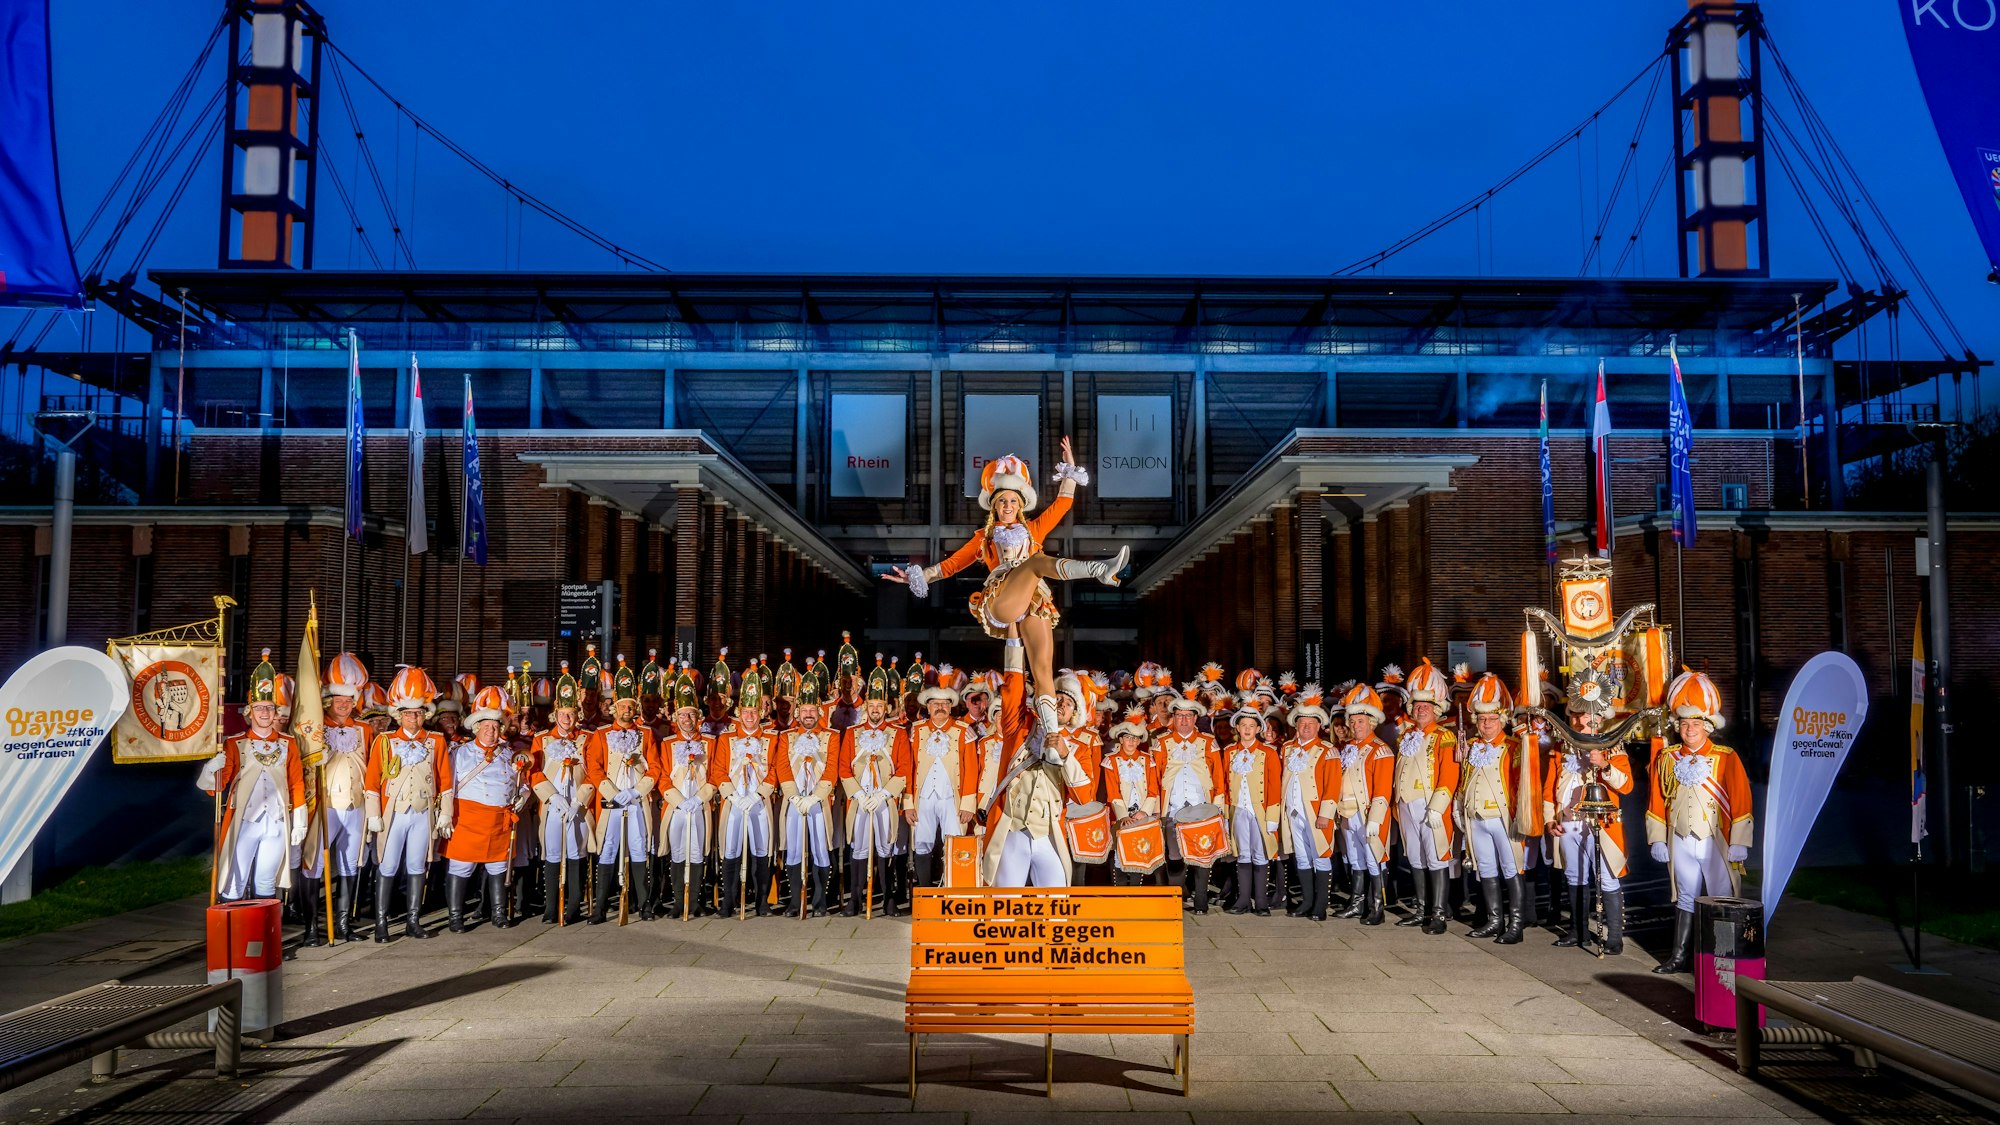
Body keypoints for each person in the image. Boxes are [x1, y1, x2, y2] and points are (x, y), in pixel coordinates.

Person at [885, 439, 1129, 736]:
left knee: (1042, 669)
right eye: (1002, 501)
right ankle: (1098, 570)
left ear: (1021, 504)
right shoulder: (984, 538)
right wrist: (915, 577)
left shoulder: (1033, 529)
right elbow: (950, 565)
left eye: (1013, 501)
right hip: (1001, 600)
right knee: (1036, 563)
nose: (1008, 507)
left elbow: (1063, 504)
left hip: (1034, 602)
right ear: (993, 505)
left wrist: (1069, 466)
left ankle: (1052, 736)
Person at [1647, 670, 1754, 974]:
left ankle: (1720, 958)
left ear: (1708, 726)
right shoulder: (1667, 759)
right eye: (1683, 723)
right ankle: (1680, 956)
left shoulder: (1726, 756)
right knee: (1685, 895)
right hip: (1680, 838)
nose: (1689, 729)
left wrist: (1739, 843)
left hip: (1715, 839)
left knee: (1721, 897)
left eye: (1695, 723)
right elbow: (1657, 799)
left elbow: (1742, 801)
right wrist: (1656, 837)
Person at [198, 650, 308, 904]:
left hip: (277, 822)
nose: (265, 713)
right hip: (244, 821)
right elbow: (218, 785)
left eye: (269, 708)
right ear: (250, 711)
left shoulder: (289, 743)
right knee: (235, 880)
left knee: (266, 882)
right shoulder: (235, 743)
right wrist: (209, 770)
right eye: (259, 708)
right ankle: (233, 939)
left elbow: (296, 783)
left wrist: (299, 820)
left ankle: (262, 940)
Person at [978, 645, 1091, 887]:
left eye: (1068, 703)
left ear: (1074, 714)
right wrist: (1013, 639)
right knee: (1004, 908)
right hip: (1013, 831)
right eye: (1056, 699)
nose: (1060, 704)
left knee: (1055, 910)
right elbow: (1013, 690)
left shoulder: (1080, 747)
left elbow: (1084, 797)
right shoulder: (1022, 728)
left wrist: (1064, 755)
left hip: (1048, 836)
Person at [1544, 666, 1632, 953]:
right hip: (1569, 820)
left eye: (1588, 714)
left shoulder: (1612, 744)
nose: (1582, 719)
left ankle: (1615, 935)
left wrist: (1604, 765)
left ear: (1598, 717)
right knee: (1575, 876)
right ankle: (1578, 930)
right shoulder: (1562, 745)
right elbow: (1550, 786)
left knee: (1607, 876)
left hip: (1601, 822)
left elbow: (1626, 785)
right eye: (1577, 713)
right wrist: (1550, 817)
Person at [363, 665, 450, 942]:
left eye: (419, 712)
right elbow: (372, 780)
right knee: (387, 866)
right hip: (394, 812)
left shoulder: (436, 741)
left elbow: (445, 780)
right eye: (408, 713)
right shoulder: (384, 741)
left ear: (426, 714)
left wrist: (445, 814)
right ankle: (381, 923)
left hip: (423, 812)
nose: (414, 718)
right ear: (398, 715)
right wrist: (374, 815)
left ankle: (413, 920)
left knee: (416, 865)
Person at [441, 687, 527, 932]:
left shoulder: (508, 754)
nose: (491, 732)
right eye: (486, 727)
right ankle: (455, 917)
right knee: (461, 867)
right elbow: (447, 785)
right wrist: (445, 814)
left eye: (496, 727)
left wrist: (522, 796)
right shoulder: (459, 753)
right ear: (476, 727)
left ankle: (498, 913)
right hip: (467, 818)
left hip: (498, 819)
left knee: (498, 867)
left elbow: (522, 783)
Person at [302, 651, 371, 943]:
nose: (343, 706)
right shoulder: (316, 729)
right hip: (325, 804)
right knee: (314, 865)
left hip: (356, 805)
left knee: (349, 864)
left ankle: (343, 924)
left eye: (348, 701)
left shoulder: (365, 729)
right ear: (329, 701)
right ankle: (311, 928)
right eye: (338, 701)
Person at [585, 660, 660, 923]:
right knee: (607, 850)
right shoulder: (602, 734)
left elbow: (655, 769)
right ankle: (600, 908)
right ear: (614, 708)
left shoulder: (647, 734)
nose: (627, 710)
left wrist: (637, 792)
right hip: (612, 802)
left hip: (636, 802)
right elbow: (593, 768)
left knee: (639, 850)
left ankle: (644, 904)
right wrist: (611, 792)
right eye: (622, 706)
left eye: (631, 706)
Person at [1457, 674, 1527, 944]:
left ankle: (1516, 925)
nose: (1486, 724)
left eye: (1492, 719)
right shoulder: (1472, 746)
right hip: (1476, 817)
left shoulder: (1514, 746)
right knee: (1486, 869)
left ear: (1503, 720)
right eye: (1482, 719)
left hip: (1502, 817)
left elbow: (1523, 785)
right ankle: (1494, 921)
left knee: (1511, 869)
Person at [1391, 659, 1459, 935]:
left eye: (1426, 707)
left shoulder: (1444, 736)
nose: (1420, 710)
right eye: (1417, 706)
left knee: (1436, 857)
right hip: (1407, 803)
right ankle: (1421, 908)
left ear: (1436, 710)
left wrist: (1437, 806)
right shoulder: (1405, 736)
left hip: (1430, 804)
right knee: (1416, 858)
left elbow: (1449, 775)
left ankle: (1439, 912)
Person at [840, 668, 910, 914]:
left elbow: (903, 768)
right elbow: (843, 768)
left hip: (884, 799)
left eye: (880, 706)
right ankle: (856, 898)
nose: (875, 711)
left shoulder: (898, 734)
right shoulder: (852, 734)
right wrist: (859, 795)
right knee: (859, 846)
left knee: (885, 846)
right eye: (872, 706)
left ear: (886, 708)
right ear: (866, 707)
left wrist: (883, 794)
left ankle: (889, 896)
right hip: (860, 800)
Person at [712, 664, 778, 917]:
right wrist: (732, 795)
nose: (749, 716)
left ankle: (762, 902)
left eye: (754, 711)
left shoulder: (771, 738)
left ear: (761, 711)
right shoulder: (727, 738)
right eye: (745, 711)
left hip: (759, 802)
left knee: (762, 850)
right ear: (738, 711)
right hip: (734, 801)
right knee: (731, 851)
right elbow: (718, 770)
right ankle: (728, 901)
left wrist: (758, 794)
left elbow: (774, 769)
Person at [529, 665, 592, 925]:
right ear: (555, 714)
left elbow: (593, 773)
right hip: (553, 805)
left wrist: (580, 799)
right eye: (562, 714)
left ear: (577, 715)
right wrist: (551, 797)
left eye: (571, 714)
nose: (567, 719)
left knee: (576, 853)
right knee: (552, 853)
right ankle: (551, 906)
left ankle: (574, 905)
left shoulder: (587, 738)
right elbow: (534, 772)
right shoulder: (542, 739)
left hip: (577, 806)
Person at [905, 672, 978, 891]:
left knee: (954, 842)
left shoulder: (964, 731)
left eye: (944, 704)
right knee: (923, 843)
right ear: (927, 707)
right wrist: (908, 803)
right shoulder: (916, 731)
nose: (940, 708)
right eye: (935, 704)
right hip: (923, 797)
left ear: (951, 707)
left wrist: (968, 805)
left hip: (951, 798)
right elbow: (909, 768)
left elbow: (972, 770)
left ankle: (951, 891)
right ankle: (925, 893)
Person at [1157, 681, 1225, 913]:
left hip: (1201, 807)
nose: (1184, 720)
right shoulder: (1161, 743)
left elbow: (1219, 776)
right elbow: (1154, 777)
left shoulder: (1208, 742)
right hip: (1173, 807)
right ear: (1173, 718)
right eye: (1179, 716)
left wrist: (1218, 808)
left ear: (1196, 718)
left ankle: (1201, 899)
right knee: (1174, 854)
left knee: (1201, 854)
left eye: (1188, 716)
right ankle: (1177, 896)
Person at [655, 665, 715, 919]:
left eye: (690, 715)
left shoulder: (709, 743)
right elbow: (661, 776)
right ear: (676, 718)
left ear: (697, 717)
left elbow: (716, 775)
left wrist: (700, 799)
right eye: (682, 715)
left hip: (700, 805)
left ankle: (696, 901)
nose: (686, 720)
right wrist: (679, 801)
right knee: (678, 852)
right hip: (677, 806)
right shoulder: (668, 744)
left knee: (697, 851)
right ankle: (679, 901)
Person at [1333, 683, 1395, 925]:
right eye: (1354, 721)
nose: (1356, 725)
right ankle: (1357, 903)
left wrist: (1375, 819)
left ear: (1372, 722)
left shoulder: (1381, 750)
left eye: (1361, 721)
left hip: (1368, 813)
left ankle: (1377, 906)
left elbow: (1382, 790)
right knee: (1355, 859)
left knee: (1373, 858)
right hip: (1347, 811)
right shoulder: (1348, 747)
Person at [1276, 684, 1338, 921]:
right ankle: (1307, 901)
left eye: (1310, 725)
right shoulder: (1288, 748)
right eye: (1302, 724)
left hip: (1315, 812)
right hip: (1292, 811)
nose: (1305, 728)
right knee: (1301, 857)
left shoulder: (1327, 750)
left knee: (1320, 855)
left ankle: (1321, 905)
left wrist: (1326, 814)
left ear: (1319, 727)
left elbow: (1333, 785)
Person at [776, 678, 837, 916]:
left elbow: (831, 767)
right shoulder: (787, 736)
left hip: (819, 801)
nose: (809, 714)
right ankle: (795, 901)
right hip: (795, 801)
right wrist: (794, 797)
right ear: (798, 713)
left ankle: (820, 902)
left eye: (813, 710)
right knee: (793, 849)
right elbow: (782, 766)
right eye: (804, 710)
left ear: (819, 712)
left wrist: (816, 797)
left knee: (821, 849)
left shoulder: (830, 736)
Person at [1221, 698, 1282, 917]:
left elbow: (1275, 785)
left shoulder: (1268, 753)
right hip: (1238, 810)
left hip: (1261, 811)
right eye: (1243, 726)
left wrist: (1273, 816)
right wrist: (1225, 814)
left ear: (1258, 729)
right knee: (1243, 854)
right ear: (1237, 727)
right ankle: (1243, 900)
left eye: (1251, 726)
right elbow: (1225, 785)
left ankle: (1262, 902)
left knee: (1260, 854)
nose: (1247, 730)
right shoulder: (1229, 752)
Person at [1103, 710, 1161, 886]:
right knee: (1119, 851)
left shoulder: (1147, 759)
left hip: (1143, 813)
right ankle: (1119, 890)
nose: (1132, 742)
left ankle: (1136, 889)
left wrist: (1145, 811)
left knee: (1139, 849)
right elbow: (1112, 791)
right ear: (1120, 740)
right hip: (1121, 814)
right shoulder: (1110, 760)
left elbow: (1153, 789)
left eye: (1136, 738)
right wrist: (1123, 817)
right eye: (1128, 737)